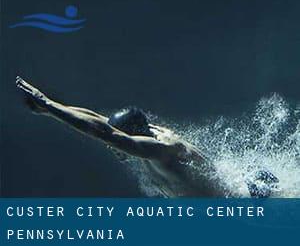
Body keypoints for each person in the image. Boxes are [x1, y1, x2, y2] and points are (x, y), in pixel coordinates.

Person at [15, 76, 277, 197]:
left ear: (132, 136)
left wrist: (48, 105)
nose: (111, 147)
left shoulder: (162, 150)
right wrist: (51, 109)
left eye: (115, 142)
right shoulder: (146, 135)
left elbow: (105, 133)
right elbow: (99, 122)